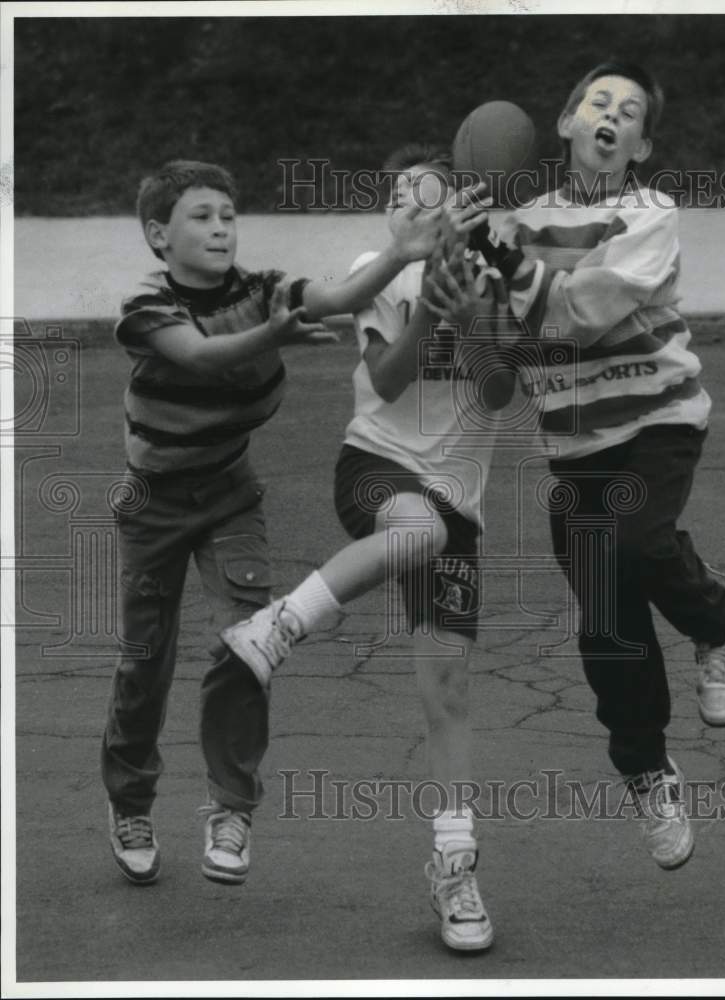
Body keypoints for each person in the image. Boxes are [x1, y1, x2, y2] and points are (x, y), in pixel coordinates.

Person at [102, 158, 450, 888]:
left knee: (246, 647)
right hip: (153, 504)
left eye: (228, 214)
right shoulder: (147, 303)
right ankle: (131, 802)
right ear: (158, 235)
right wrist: (275, 338)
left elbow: (336, 294)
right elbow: (199, 358)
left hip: (230, 495)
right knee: (145, 665)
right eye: (201, 216)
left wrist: (402, 254)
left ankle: (231, 810)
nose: (221, 227)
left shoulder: (264, 292)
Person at [222, 145, 508, 951]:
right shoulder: (375, 272)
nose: (413, 212)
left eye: (430, 200)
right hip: (375, 467)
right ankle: (281, 624)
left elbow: (499, 390)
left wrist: (476, 312)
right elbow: (385, 381)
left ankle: (455, 870)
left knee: (447, 689)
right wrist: (433, 314)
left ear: (461, 208)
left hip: (460, 505)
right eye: (400, 201)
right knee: (416, 528)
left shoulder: (501, 272)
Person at [464, 61, 725, 870]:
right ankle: (649, 774)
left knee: (641, 542)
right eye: (598, 102)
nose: (611, 116)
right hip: (575, 448)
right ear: (562, 123)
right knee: (607, 630)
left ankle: (717, 626)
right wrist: (460, 260)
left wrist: (507, 261)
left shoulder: (648, 214)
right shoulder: (514, 223)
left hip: (657, 421)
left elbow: (585, 312)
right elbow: (504, 353)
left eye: (628, 112)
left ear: (642, 144)